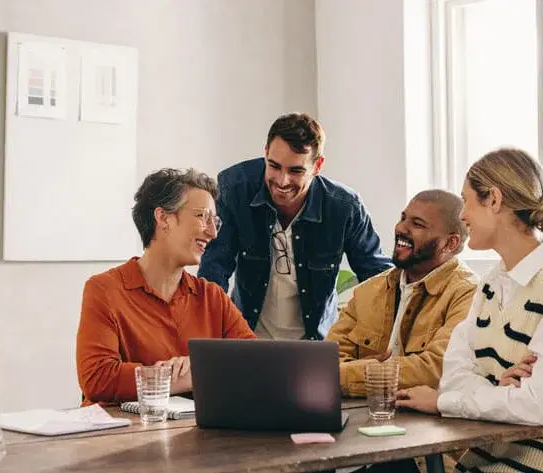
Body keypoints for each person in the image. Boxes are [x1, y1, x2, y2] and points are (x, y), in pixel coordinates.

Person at [397, 148, 543, 472]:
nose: (463, 216)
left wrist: (446, 402)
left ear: (494, 200)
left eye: (467, 201)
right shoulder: (491, 284)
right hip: (492, 460)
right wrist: (500, 385)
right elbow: (454, 375)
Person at [198, 112, 393, 341]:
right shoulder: (234, 188)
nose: (282, 181)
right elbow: (215, 269)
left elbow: (377, 278)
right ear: (265, 153)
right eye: (274, 166)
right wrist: (208, 341)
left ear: (317, 166)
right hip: (248, 340)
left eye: (296, 171)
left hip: (315, 345)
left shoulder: (344, 207)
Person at [76, 168, 256, 405]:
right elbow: (98, 379)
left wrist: (197, 369)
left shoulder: (212, 297)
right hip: (121, 438)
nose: (212, 233)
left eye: (216, 221)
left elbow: (255, 365)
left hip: (197, 437)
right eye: (202, 216)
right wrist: (180, 377)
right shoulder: (104, 290)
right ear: (163, 218)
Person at [327, 189, 477, 473]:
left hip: (424, 450)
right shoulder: (369, 290)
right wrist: (374, 369)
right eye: (403, 218)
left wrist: (367, 372)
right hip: (357, 441)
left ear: (450, 242)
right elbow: (324, 364)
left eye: (417, 224)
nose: (400, 228)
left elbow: (432, 369)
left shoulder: (468, 294)